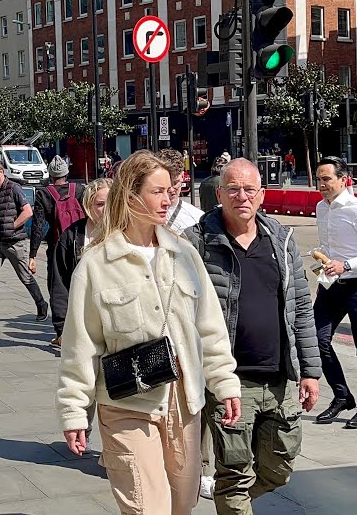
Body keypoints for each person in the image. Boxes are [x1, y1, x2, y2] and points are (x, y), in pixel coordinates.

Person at [57, 151, 242, 515]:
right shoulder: (97, 263)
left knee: (181, 506)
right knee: (147, 508)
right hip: (127, 404)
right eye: (157, 191)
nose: (168, 198)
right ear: (131, 196)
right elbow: (81, 345)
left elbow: (209, 328)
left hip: (184, 403)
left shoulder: (183, 254)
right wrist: (75, 411)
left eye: (170, 191)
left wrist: (225, 383)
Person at [184, 158, 322, 513]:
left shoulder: (281, 239)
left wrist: (310, 370)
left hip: (279, 377)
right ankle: (233, 502)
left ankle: (234, 503)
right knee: (233, 472)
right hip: (229, 380)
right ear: (219, 194)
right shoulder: (197, 243)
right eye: (232, 189)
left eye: (248, 189)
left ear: (261, 195)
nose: (241, 196)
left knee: (279, 469)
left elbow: (301, 308)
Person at [312, 156, 357, 429]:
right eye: (319, 179)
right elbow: (328, 244)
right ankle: (342, 395)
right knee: (316, 340)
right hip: (330, 285)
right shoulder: (321, 207)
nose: (322, 184)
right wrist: (322, 258)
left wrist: (347, 264)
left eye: (327, 179)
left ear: (344, 180)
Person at [0, 161, 48, 328]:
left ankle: (41, 304)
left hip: (15, 242)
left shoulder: (14, 188)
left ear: (1, 172)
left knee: (25, 277)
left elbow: (28, 211)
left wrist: (13, 225)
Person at [30, 156, 86, 344]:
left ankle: (61, 332)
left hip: (57, 246)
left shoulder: (44, 194)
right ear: (66, 172)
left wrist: (32, 254)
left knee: (58, 287)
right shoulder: (79, 189)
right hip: (80, 244)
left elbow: (38, 226)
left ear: (50, 174)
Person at [51, 178, 111, 349]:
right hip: (83, 319)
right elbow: (60, 282)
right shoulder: (71, 236)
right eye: (100, 204)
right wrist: (62, 328)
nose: (106, 209)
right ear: (88, 205)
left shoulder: (125, 233)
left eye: (111, 203)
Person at [158, 149, 204, 232]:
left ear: (182, 176)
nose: (171, 189)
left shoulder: (197, 218)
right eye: (167, 183)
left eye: (175, 183)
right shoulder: (142, 215)